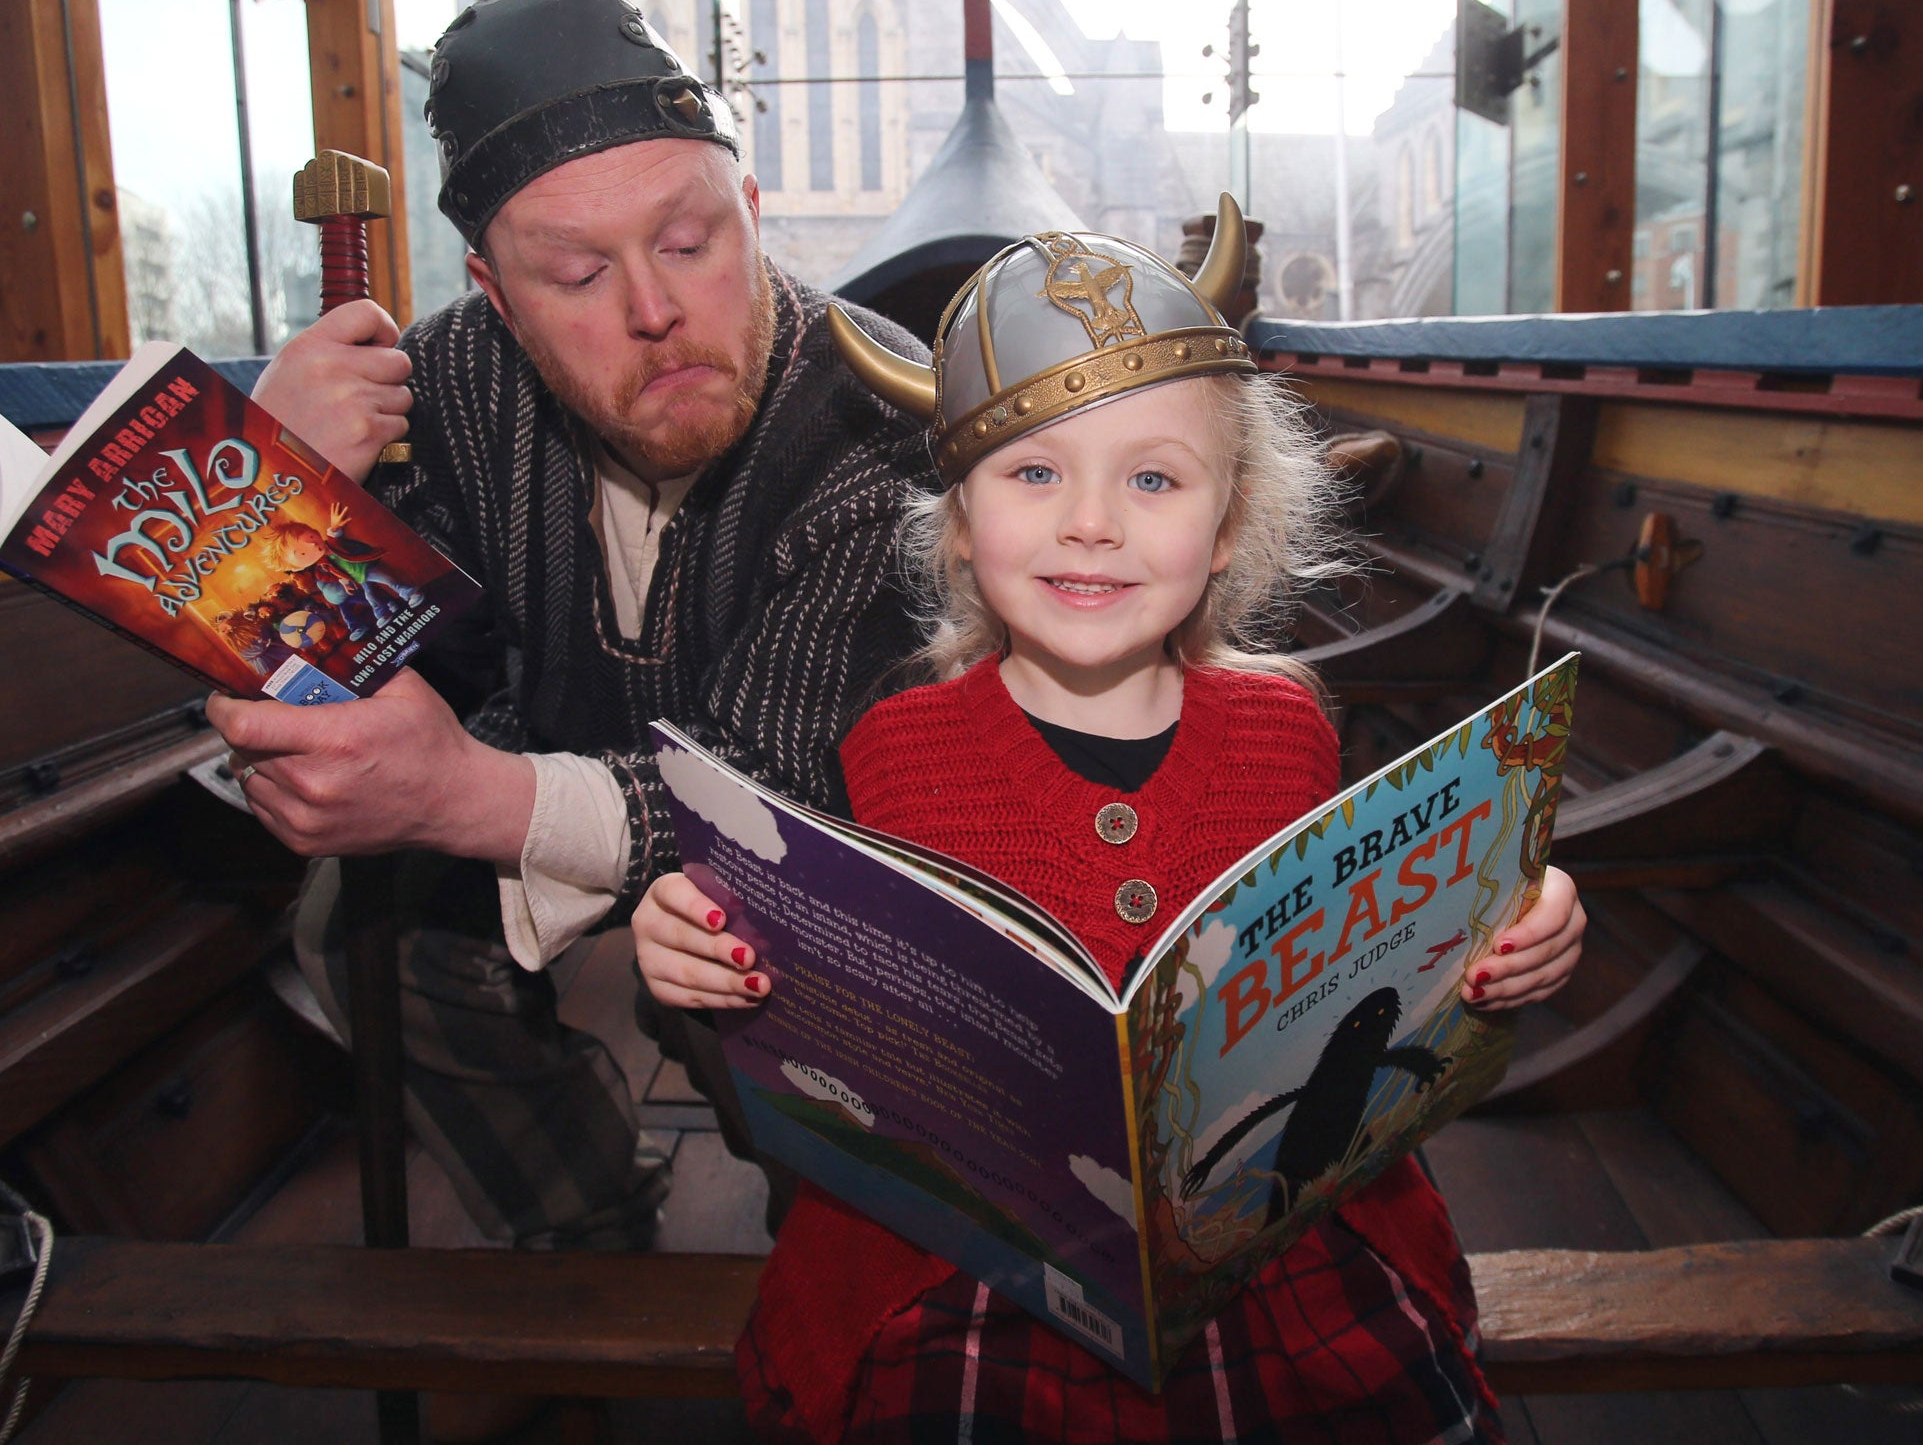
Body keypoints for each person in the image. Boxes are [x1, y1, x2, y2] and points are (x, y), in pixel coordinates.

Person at [633, 220, 1587, 1442]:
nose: (1091, 522)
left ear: (1226, 525)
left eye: (1151, 478)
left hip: (1270, 1232)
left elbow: (1370, 950)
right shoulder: (894, 751)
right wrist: (694, 941)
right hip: (978, 1266)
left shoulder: (1283, 725)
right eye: (1032, 475)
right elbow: (825, 983)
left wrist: (1516, 921)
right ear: (963, 529)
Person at [205, 0, 933, 1254]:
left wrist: (454, 796)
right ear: (495, 293)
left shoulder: (883, 415)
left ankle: (825, 1255)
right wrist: (277, 498)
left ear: (752, 213)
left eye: (692, 242)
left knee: (760, 991)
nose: (656, 311)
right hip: (525, 750)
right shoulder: (431, 388)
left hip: (805, 856)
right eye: (575, 273)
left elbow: (774, 797)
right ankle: (583, 1243)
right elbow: (362, 676)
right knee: (364, 938)